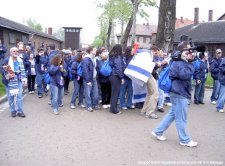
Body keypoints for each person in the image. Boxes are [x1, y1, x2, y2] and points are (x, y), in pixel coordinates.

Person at [152, 42, 198, 147]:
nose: (190, 53)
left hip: (177, 92)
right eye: (188, 51)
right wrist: (191, 63)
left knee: (172, 114)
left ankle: (158, 131)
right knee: (181, 118)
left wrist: (190, 61)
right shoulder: (180, 63)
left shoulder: (177, 61)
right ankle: (185, 140)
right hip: (179, 93)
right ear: (182, 52)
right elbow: (184, 75)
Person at [1, 47, 27, 117]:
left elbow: (23, 70)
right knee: (10, 97)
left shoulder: (20, 60)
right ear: (10, 53)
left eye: (17, 51)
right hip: (9, 81)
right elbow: (2, 70)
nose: (16, 52)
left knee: (19, 96)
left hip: (18, 80)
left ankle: (20, 111)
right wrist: (7, 75)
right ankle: (12, 110)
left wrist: (24, 80)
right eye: (14, 51)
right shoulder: (6, 60)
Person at [141, 46, 161, 119]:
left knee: (150, 93)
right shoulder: (148, 55)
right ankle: (150, 112)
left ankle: (145, 110)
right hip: (148, 74)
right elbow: (148, 65)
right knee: (155, 93)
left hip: (146, 74)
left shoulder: (147, 54)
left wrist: (156, 65)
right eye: (157, 52)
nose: (158, 54)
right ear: (155, 50)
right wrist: (157, 64)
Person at [82, 46, 100, 112]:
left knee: (95, 93)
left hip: (94, 78)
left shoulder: (94, 58)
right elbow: (85, 70)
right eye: (95, 49)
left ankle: (95, 104)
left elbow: (96, 68)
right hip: (89, 79)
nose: (96, 51)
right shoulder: (86, 59)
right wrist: (87, 80)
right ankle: (89, 106)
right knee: (88, 93)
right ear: (91, 51)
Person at [108, 44, 125, 114]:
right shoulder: (117, 57)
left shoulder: (111, 56)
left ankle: (112, 108)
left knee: (113, 93)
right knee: (115, 93)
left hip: (112, 76)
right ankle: (114, 110)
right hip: (116, 76)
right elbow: (118, 68)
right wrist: (122, 78)